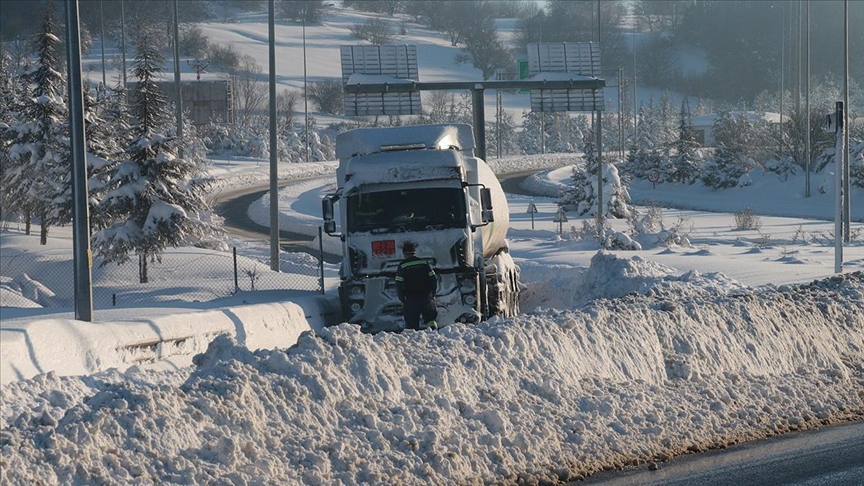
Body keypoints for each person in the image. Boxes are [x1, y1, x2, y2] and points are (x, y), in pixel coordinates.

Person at [395, 242, 438, 331]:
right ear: (414, 252)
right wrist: (432, 294)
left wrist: (402, 299)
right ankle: (434, 334)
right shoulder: (424, 262)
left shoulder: (402, 265)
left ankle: (414, 340)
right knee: (430, 319)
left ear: (404, 253)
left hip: (411, 299)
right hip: (426, 297)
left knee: (411, 324)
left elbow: (398, 284)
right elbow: (434, 279)